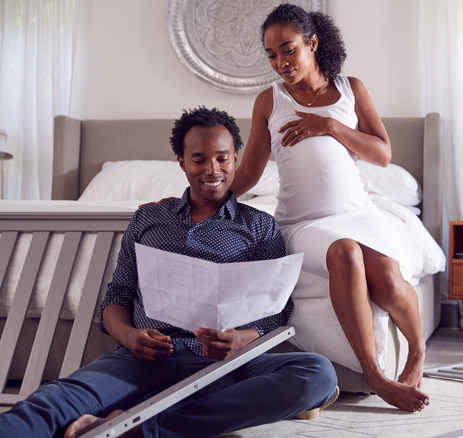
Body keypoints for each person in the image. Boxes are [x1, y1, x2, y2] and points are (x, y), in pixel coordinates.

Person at [0, 107, 338, 438]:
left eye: (222, 157)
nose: (212, 169)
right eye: (199, 159)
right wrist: (131, 337)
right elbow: (117, 297)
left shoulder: (259, 225)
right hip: (143, 358)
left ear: (235, 157)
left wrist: (240, 338)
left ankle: (143, 428)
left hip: (225, 362)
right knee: (51, 403)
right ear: (182, 161)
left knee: (317, 374)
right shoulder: (148, 219)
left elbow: (275, 312)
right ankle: (141, 411)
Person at [228, 3, 429, 412]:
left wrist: (332, 126)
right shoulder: (270, 100)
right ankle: (374, 374)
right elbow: (248, 173)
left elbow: (383, 154)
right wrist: (200, 196)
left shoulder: (352, 88)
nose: (280, 62)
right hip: (302, 223)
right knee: (344, 251)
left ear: (312, 43)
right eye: (271, 55)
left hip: (359, 213)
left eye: (288, 50)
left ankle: (417, 354)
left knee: (389, 280)